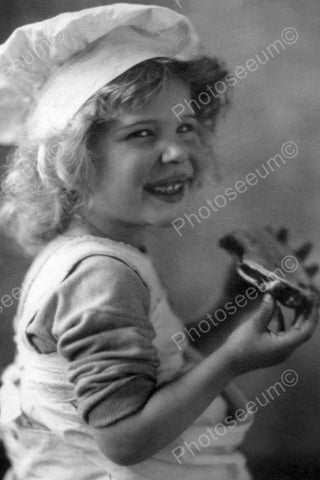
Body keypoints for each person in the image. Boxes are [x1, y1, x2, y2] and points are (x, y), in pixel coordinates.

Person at [0, 4, 317, 480]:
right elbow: (125, 439)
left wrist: (227, 310)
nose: (177, 151)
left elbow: (150, 371)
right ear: (74, 160)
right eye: (143, 132)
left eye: (185, 127)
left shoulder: (90, 254)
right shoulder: (102, 275)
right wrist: (233, 360)